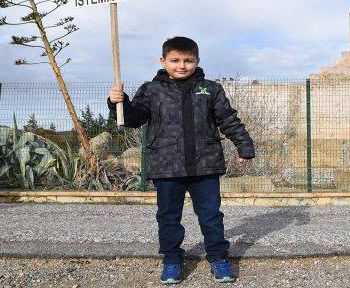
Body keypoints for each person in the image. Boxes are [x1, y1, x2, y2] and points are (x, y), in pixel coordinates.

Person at [107, 36, 255, 284]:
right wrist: (117, 103)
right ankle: (172, 260)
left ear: (197, 61)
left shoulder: (210, 89)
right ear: (163, 61)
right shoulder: (151, 90)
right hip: (166, 166)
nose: (182, 65)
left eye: (188, 60)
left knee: (210, 216)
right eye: (175, 60)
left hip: (204, 165)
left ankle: (218, 257)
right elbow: (134, 119)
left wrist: (244, 145)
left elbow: (228, 119)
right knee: (168, 217)